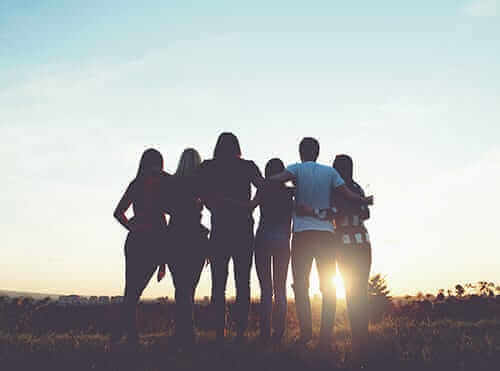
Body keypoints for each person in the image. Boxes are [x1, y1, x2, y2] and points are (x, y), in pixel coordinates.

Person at [270, 137, 372, 348]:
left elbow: (278, 179)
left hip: (310, 236)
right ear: (317, 152)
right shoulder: (337, 178)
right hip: (335, 239)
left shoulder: (299, 171)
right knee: (333, 286)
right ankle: (330, 335)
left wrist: (273, 184)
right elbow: (359, 207)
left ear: (301, 152)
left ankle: (307, 332)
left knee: (301, 284)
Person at [198, 132, 264, 343]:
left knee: (218, 284)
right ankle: (241, 331)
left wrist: (212, 205)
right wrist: (252, 205)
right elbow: (263, 187)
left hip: (219, 229)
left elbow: (199, 192)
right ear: (237, 147)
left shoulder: (208, 167)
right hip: (244, 228)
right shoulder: (247, 166)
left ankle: (220, 331)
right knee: (242, 281)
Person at [112, 148, 170, 344]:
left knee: (132, 291)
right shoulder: (163, 184)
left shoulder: (136, 184)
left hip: (137, 241)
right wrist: (163, 262)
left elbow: (118, 213)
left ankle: (123, 335)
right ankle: (128, 337)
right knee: (134, 292)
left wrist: (133, 227)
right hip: (154, 242)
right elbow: (167, 217)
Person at [157, 148, 209, 347]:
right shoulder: (201, 184)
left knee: (181, 288)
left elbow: (164, 208)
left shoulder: (171, 183)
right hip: (196, 239)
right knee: (190, 288)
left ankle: (182, 332)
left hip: (175, 237)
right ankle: (188, 333)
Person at [332, 154, 372, 359]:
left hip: (344, 245)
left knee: (351, 290)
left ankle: (358, 334)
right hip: (363, 242)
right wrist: (355, 205)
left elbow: (332, 213)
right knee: (360, 290)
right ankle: (360, 334)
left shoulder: (335, 190)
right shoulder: (357, 189)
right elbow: (365, 212)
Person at [252, 158, 293, 343]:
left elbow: (251, 207)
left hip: (262, 239)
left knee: (266, 290)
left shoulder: (263, 189)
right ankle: (279, 333)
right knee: (280, 289)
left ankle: (265, 332)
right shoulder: (290, 192)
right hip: (283, 241)